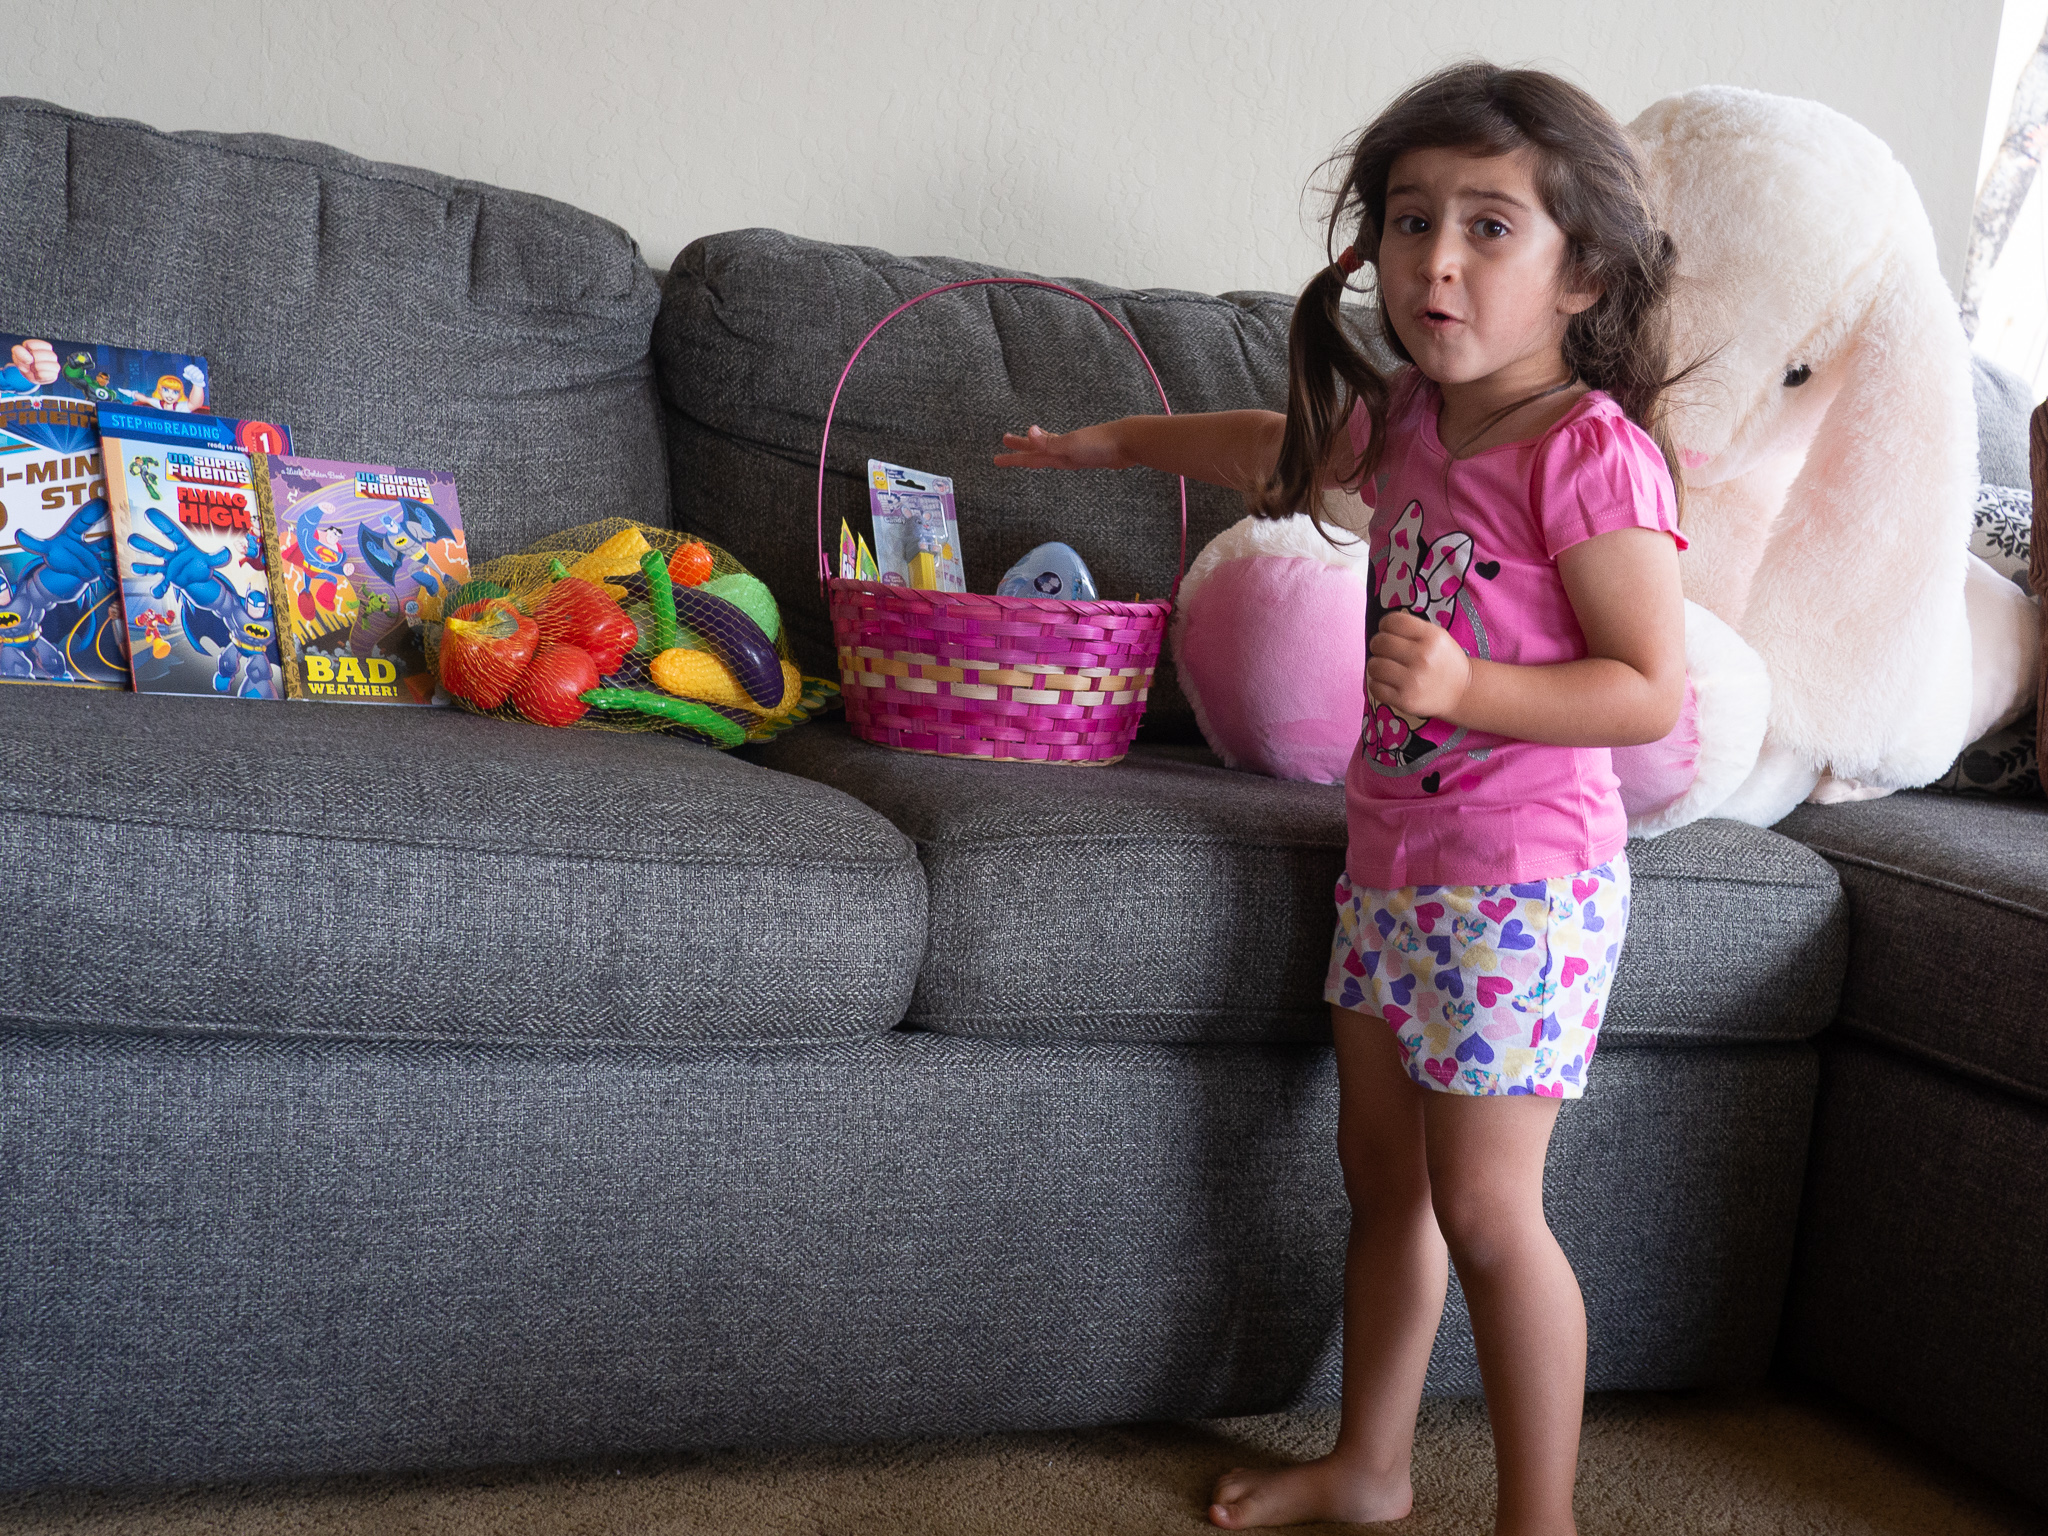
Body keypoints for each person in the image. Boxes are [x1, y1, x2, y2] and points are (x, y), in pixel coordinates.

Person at [994, 61, 1690, 1536]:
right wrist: (1107, 447)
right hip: (1391, 865)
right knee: (1382, 1184)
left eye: (1490, 226)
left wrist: (1472, 688)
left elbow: (1645, 691)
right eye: (1410, 219)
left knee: (1490, 1215)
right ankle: (1372, 1467)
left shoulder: (1591, 457)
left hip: (1524, 886)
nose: (1436, 260)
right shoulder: (1416, 421)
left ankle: (1542, 1520)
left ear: (1583, 276)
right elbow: (1273, 447)